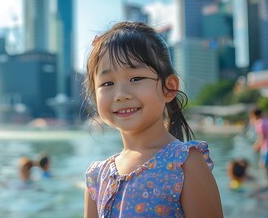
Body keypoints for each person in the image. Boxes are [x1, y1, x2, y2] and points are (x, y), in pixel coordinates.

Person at [83, 22, 223, 217]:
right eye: (107, 83)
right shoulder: (97, 177)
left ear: (169, 87)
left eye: (136, 79)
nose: (121, 94)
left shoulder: (185, 163)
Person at [249, 107, 268, 185]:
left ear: (254, 115)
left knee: (263, 165)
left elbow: (262, 138)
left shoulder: (259, 123)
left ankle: (267, 182)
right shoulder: (267, 121)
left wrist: (256, 146)